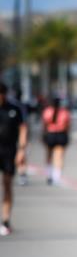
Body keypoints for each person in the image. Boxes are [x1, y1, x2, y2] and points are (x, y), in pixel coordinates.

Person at [0, 81, 26, 236]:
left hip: (9, 151)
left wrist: (21, 150)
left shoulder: (14, 109)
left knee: (7, 184)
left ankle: (5, 220)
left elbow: (23, 129)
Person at [42, 96, 70, 186]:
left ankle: (49, 174)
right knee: (59, 156)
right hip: (61, 134)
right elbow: (67, 125)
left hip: (50, 134)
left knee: (49, 155)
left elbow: (44, 125)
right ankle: (57, 177)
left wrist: (43, 135)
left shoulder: (47, 111)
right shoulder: (64, 112)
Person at [12, 87, 29, 185]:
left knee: (21, 155)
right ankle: (21, 174)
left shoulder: (20, 106)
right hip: (11, 135)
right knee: (21, 155)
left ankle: (22, 174)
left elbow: (24, 125)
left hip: (18, 135)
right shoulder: (21, 106)